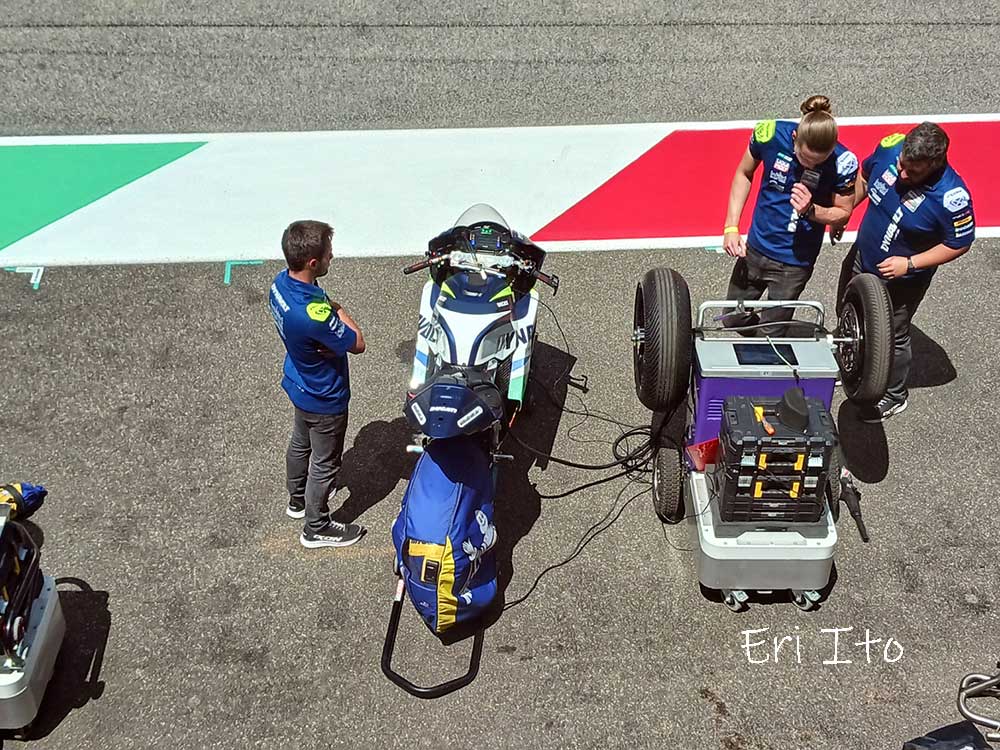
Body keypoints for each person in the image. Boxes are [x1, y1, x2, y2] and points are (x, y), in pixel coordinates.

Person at [834, 122, 975, 422]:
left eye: (913, 171)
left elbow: (959, 243)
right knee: (848, 310)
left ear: (935, 163)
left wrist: (909, 264)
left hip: (901, 280)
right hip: (862, 256)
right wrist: (844, 212)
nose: (902, 174)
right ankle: (847, 353)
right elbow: (865, 176)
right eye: (901, 164)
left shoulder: (951, 198)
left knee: (893, 336)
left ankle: (893, 395)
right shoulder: (890, 149)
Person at [721, 95, 859, 336]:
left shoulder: (844, 162)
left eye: (819, 162)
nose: (810, 167)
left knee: (770, 335)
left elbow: (843, 213)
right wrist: (731, 227)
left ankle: (770, 346)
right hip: (755, 248)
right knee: (732, 318)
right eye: (804, 159)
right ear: (795, 138)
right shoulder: (770, 134)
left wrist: (811, 210)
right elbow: (744, 173)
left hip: (793, 264)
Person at [268, 220, 368, 548]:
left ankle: (297, 499)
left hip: (299, 382)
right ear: (313, 262)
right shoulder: (314, 316)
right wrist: (337, 309)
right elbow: (357, 342)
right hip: (325, 396)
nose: (332, 257)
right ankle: (317, 527)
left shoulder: (279, 285)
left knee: (300, 444)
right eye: (328, 254)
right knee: (325, 464)